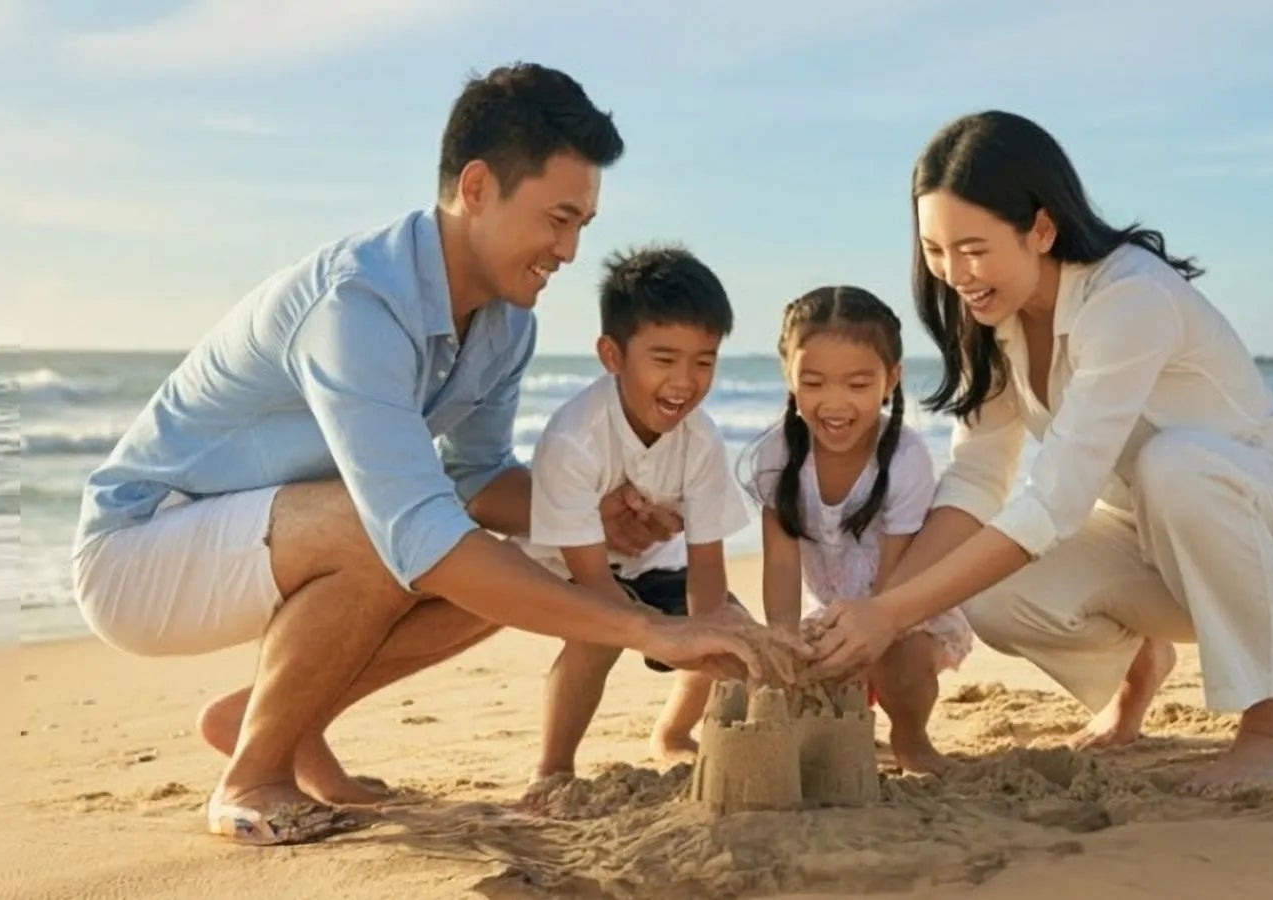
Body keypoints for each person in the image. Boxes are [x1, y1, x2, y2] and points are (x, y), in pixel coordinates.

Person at [69, 63, 799, 846]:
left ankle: (272, 719)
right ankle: (254, 773)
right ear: (477, 187)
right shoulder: (358, 303)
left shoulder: (506, 322)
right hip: (140, 548)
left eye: (583, 224)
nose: (570, 249)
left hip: (272, 538)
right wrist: (652, 631)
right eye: (558, 219)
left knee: (543, 551)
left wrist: (597, 513)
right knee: (391, 534)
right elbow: (414, 528)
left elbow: (478, 479)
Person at [805, 110, 1273, 796]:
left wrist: (890, 615)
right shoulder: (990, 315)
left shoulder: (1131, 297)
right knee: (992, 594)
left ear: (1041, 227)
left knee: (1174, 464)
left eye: (973, 248)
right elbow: (979, 477)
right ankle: (1138, 667)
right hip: (1155, 549)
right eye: (936, 250)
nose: (955, 274)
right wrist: (880, 609)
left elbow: (1055, 501)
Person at [519, 244, 754, 787]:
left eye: (704, 362)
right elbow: (596, 586)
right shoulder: (574, 438)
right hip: (569, 565)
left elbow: (708, 570)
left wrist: (709, 630)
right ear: (612, 356)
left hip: (654, 561)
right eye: (664, 359)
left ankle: (674, 734)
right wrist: (654, 633)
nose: (685, 381)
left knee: (728, 629)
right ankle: (552, 769)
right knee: (598, 636)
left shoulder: (701, 439)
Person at [738, 285, 969, 774]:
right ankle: (845, 725)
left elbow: (894, 582)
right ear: (788, 375)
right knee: (768, 659)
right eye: (814, 382)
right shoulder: (776, 457)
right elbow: (780, 564)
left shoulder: (905, 458)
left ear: (891, 380)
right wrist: (782, 643)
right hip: (833, 610)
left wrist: (869, 638)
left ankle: (910, 740)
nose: (834, 403)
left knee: (896, 662)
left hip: (902, 608)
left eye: (858, 385)